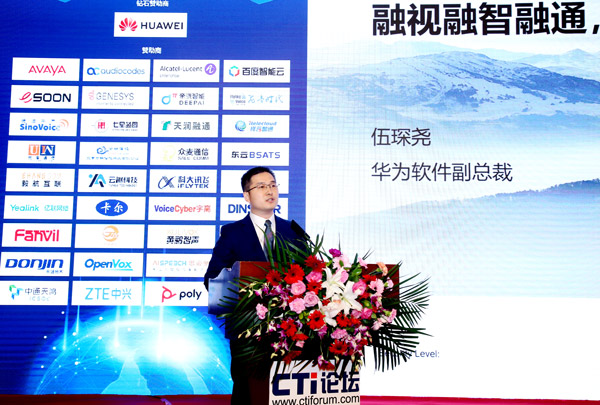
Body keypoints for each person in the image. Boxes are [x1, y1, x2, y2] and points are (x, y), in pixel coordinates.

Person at [203, 166, 304, 404]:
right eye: (261, 186)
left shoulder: (293, 231)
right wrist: (249, 293)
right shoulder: (232, 233)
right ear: (246, 196)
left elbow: (310, 275)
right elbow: (212, 277)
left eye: (273, 185)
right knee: (247, 393)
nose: (270, 191)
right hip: (248, 329)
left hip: (289, 329)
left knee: (286, 392)